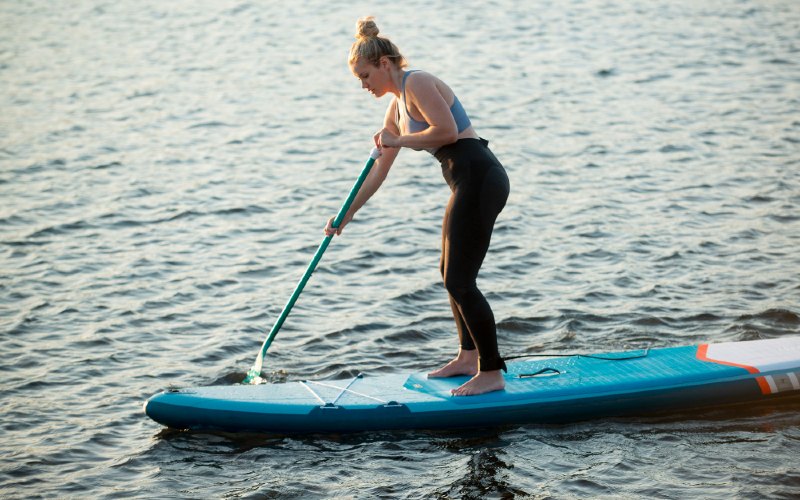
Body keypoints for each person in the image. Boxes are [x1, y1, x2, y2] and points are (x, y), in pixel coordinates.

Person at [324, 16, 510, 396]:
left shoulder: (418, 82)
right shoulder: (394, 108)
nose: (363, 86)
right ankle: (468, 357)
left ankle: (492, 372)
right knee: (449, 273)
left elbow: (446, 132)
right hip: (464, 179)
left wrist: (398, 141)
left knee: (460, 279)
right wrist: (347, 213)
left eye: (365, 76)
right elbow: (379, 173)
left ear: (384, 64)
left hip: (479, 174)